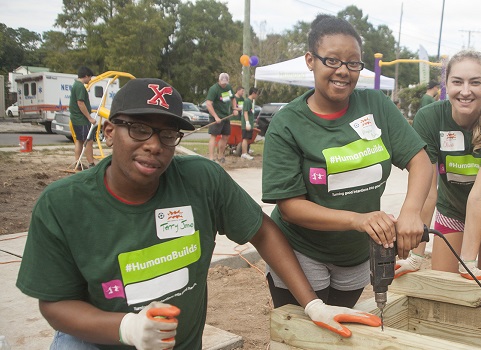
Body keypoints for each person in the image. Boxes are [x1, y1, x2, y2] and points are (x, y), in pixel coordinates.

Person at [16, 78, 381, 349]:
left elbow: (264, 231)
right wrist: (126, 328)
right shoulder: (63, 204)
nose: (154, 146)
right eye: (139, 129)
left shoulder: (201, 180)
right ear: (110, 131)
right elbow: (55, 304)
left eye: (167, 134)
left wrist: (314, 305)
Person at [261, 14, 433, 309]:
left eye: (353, 63)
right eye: (332, 61)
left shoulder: (376, 105)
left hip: (355, 254)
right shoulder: (287, 124)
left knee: (340, 327)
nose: (343, 71)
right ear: (310, 60)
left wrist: (411, 211)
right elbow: (289, 207)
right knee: (304, 334)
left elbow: (420, 160)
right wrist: (358, 219)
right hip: (301, 251)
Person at [397, 50, 481, 280]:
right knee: (443, 280)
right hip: (453, 207)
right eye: (457, 82)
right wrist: (415, 254)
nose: (465, 91)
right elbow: (426, 191)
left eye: (475, 82)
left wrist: (468, 262)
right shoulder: (429, 118)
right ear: (446, 84)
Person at [206, 72, 237, 163]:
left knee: (225, 136)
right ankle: (211, 158)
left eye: (225, 82)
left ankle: (220, 156)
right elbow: (208, 104)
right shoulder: (214, 89)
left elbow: (233, 98)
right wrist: (215, 117)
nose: (224, 84)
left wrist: (234, 108)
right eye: (222, 82)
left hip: (226, 116)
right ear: (219, 80)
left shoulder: (228, 88)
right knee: (213, 136)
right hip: (216, 116)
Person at [69, 66, 96, 170]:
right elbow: (80, 103)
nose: (90, 80)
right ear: (85, 76)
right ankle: (91, 163)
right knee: (88, 140)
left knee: (79, 140)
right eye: (90, 77)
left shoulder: (76, 85)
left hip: (76, 117)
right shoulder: (80, 86)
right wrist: (89, 118)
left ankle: (77, 162)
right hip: (81, 119)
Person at [241, 87, 259, 160]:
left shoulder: (250, 102)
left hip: (250, 123)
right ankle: (244, 153)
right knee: (245, 138)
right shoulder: (247, 101)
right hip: (246, 124)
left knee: (248, 138)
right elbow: (245, 112)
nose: (257, 96)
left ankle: (246, 151)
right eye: (257, 94)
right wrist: (247, 123)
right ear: (253, 93)